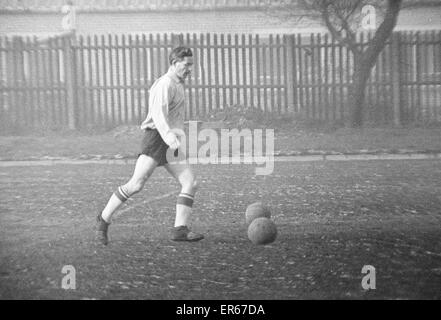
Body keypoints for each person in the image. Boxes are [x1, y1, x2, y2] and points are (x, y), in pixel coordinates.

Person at [95, 46, 204, 245]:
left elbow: (173, 117)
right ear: (174, 63)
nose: (189, 69)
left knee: (190, 182)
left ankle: (180, 230)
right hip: (156, 138)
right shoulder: (164, 84)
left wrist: (177, 137)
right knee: (136, 184)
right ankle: (103, 219)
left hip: (170, 139)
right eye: (186, 65)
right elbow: (158, 117)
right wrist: (172, 139)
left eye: (191, 65)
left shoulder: (178, 84)